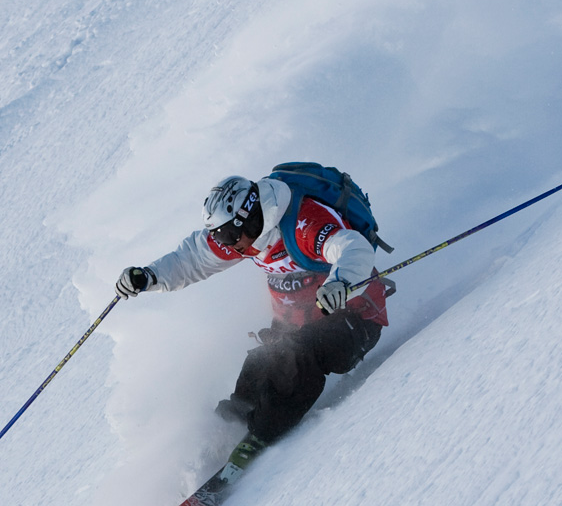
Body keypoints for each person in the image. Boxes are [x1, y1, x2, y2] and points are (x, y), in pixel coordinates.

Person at [115, 171, 391, 449]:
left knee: (295, 357)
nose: (227, 243)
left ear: (248, 216)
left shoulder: (302, 222)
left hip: (354, 320)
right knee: (259, 363)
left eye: (229, 234)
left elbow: (353, 247)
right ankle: (226, 430)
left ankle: (261, 435)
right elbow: (193, 258)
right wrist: (149, 276)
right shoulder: (243, 238)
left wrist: (341, 282)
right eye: (219, 236)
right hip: (296, 325)